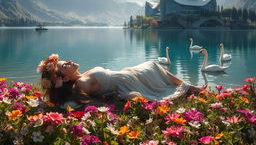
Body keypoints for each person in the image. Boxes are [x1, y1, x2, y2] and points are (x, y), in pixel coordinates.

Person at [37, 54, 207, 105]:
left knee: (153, 65)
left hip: (126, 74)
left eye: (64, 61)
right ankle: (190, 87)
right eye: (64, 66)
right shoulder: (81, 84)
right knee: (153, 66)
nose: (68, 62)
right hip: (127, 82)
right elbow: (86, 101)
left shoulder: (83, 76)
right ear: (64, 78)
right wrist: (111, 100)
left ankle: (189, 86)